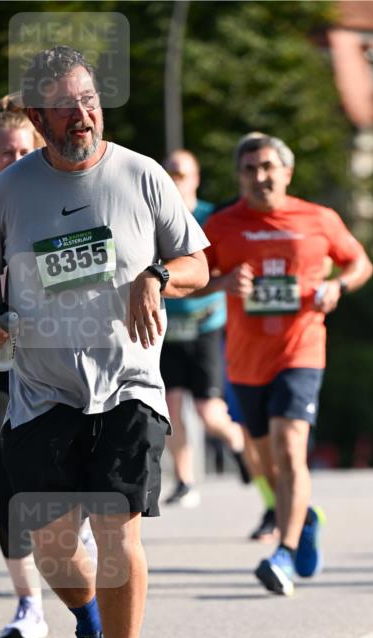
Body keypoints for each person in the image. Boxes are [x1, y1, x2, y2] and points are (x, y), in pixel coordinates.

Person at [0, 46, 209, 638]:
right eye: (65, 106)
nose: (82, 115)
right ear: (37, 116)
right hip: (42, 388)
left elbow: (195, 259)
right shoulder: (8, 191)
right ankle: (87, 624)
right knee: (51, 545)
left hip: (129, 382)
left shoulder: (140, 176)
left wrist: (156, 276)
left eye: (90, 101)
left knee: (118, 531)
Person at [202, 133, 373, 596]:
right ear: (239, 177)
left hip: (301, 350)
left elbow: (359, 262)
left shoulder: (318, 219)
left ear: (286, 172)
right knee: (261, 460)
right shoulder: (221, 225)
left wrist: (340, 286)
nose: (260, 176)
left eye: (268, 167)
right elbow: (188, 280)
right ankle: (306, 518)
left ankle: (284, 551)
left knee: (289, 446)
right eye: (250, 169)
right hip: (245, 360)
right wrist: (220, 282)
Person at [0, 97, 49, 638]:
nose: (16, 159)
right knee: (6, 473)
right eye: (6, 152)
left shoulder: (59, 205)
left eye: (26, 150)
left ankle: (81, 529)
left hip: (56, 357)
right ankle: (28, 601)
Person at [160, 148, 249, 507]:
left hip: (205, 325)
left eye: (183, 173)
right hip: (167, 327)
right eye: (170, 173)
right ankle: (184, 480)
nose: (176, 180)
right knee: (170, 407)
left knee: (208, 412)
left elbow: (225, 274)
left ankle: (240, 444)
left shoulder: (212, 218)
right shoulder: (156, 218)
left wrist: (218, 285)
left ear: (196, 178)